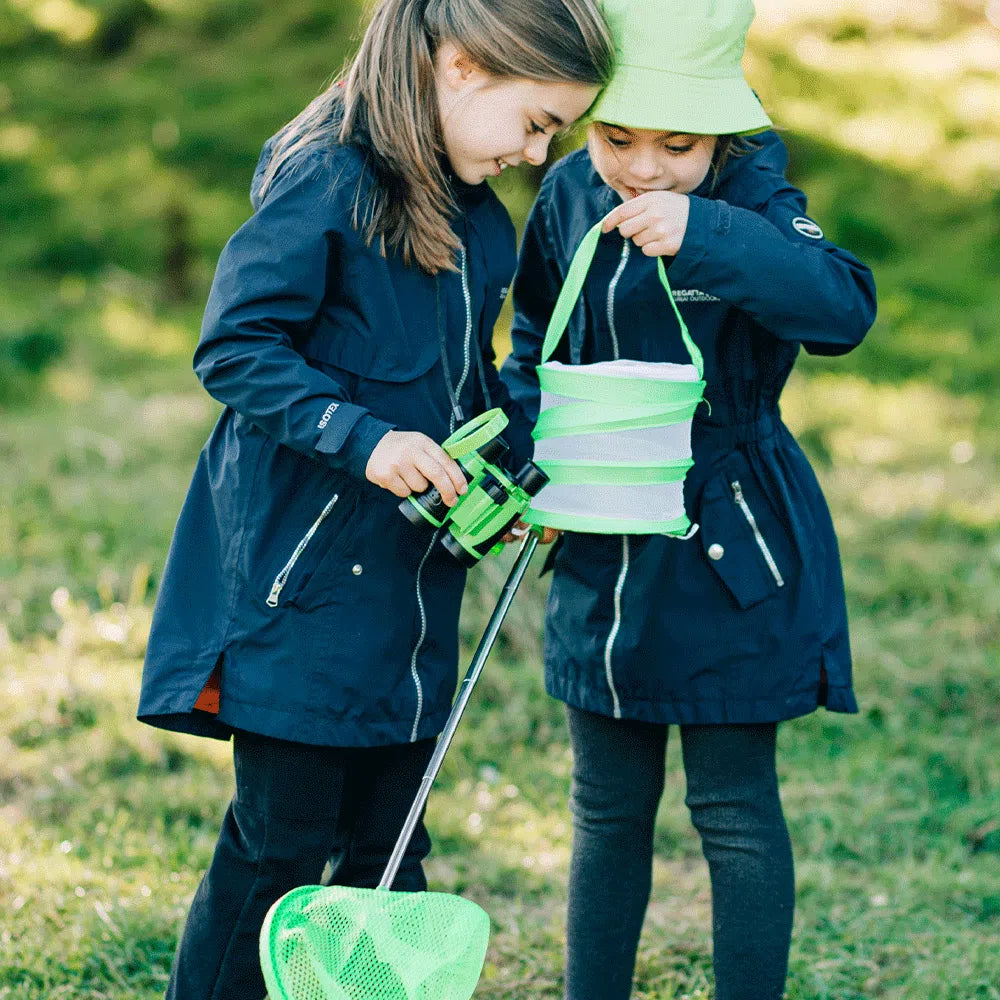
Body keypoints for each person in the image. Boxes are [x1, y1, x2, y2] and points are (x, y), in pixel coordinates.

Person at [136, 1, 613, 996]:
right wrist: (366, 439)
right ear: (463, 66)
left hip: (406, 593)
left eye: (555, 134)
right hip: (298, 589)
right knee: (279, 846)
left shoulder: (480, 221)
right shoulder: (329, 178)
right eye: (535, 123)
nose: (537, 153)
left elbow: (464, 383)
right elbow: (236, 348)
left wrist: (514, 472)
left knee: (390, 852)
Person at [500, 0, 877, 997]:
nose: (642, 165)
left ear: (723, 133)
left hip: (728, 539)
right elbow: (531, 347)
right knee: (605, 802)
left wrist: (705, 232)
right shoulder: (569, 196)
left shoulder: (752, 200)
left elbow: (840, 308)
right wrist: (533, 456)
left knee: (733, 802)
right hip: (600, 531)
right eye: (617, 135)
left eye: (678, 143)